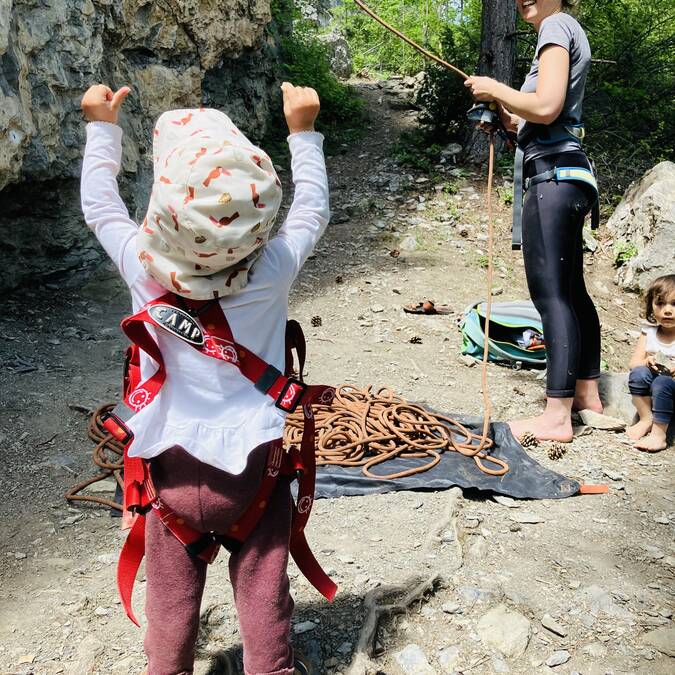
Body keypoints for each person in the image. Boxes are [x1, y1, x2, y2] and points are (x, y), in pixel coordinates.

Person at [80, 81, 329, 675]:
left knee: (169, 600)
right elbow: (314, 209)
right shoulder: (272, 268)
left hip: (168, 474)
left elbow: (99, 205)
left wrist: (101, 128)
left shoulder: (141, 263)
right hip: (253, 475)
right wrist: (303, 130)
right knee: (262, 587)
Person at [464, 0, 601, 442]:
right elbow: (538, 119)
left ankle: (556, 416)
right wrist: (506, 120)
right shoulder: (564, 29)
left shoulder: (556, 26)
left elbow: (545, 106)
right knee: (572, 292)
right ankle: (586, 395)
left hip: (553, 178)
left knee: (552, 297)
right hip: (566, 175)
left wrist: (495, 87)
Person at [626, 275, 675, 452]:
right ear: (651, 306)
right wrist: (646, 361)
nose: (667, 310)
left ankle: (659, 435)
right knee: (638, 373)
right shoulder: (649, 333)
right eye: (660, 303)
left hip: (670, 388)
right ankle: (646, 419)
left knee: (662, 382)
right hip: (655, 382)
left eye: (674, 304)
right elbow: (633, 363)